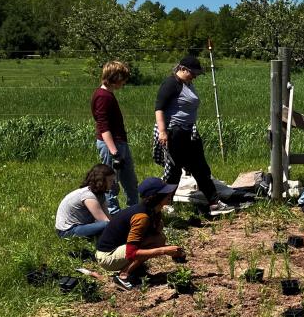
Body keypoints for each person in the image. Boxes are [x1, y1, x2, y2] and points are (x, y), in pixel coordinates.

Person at [153, 55, 231, 213]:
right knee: (174, 170)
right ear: (182, 69)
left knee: (200, 167)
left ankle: (214, 202)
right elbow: (159, 108)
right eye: (193, 72)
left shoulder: (187, 84)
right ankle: (164, 203)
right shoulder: (171, 84)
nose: (195, 76)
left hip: (189, 131)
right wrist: (162, 132)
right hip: (174, 131)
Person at [95, 177, 186, 290]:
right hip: (107, 256)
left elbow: (155, 237)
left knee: (158, 239)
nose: (170, 194)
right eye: (166, 192)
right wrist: (165, 251)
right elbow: (131, 253)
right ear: (156, 197)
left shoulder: (153, 211)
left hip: (119, 249)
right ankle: (123, 276)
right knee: (154, 244)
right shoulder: (141, 217)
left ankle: (136, 272)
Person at [91, 60, 138, 214]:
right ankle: (113, 214)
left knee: (130, 180)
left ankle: (134, 211)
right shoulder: (102, 97)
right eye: (122, 78)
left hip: (119, 143)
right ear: (115, 77)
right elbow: (103, 127)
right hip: (112, 146)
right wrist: (114, 153)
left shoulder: (108, 95)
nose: (124, 82)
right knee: (111, 182)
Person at [55, 164, 116, 238]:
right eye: (110, 180)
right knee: (105, 225)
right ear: (101, 181)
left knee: (109, 224)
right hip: (67, 231)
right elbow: (104, 221)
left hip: (80, 226)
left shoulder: (100, 195)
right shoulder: (88, 196)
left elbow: (107, 217)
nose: (112, 183)